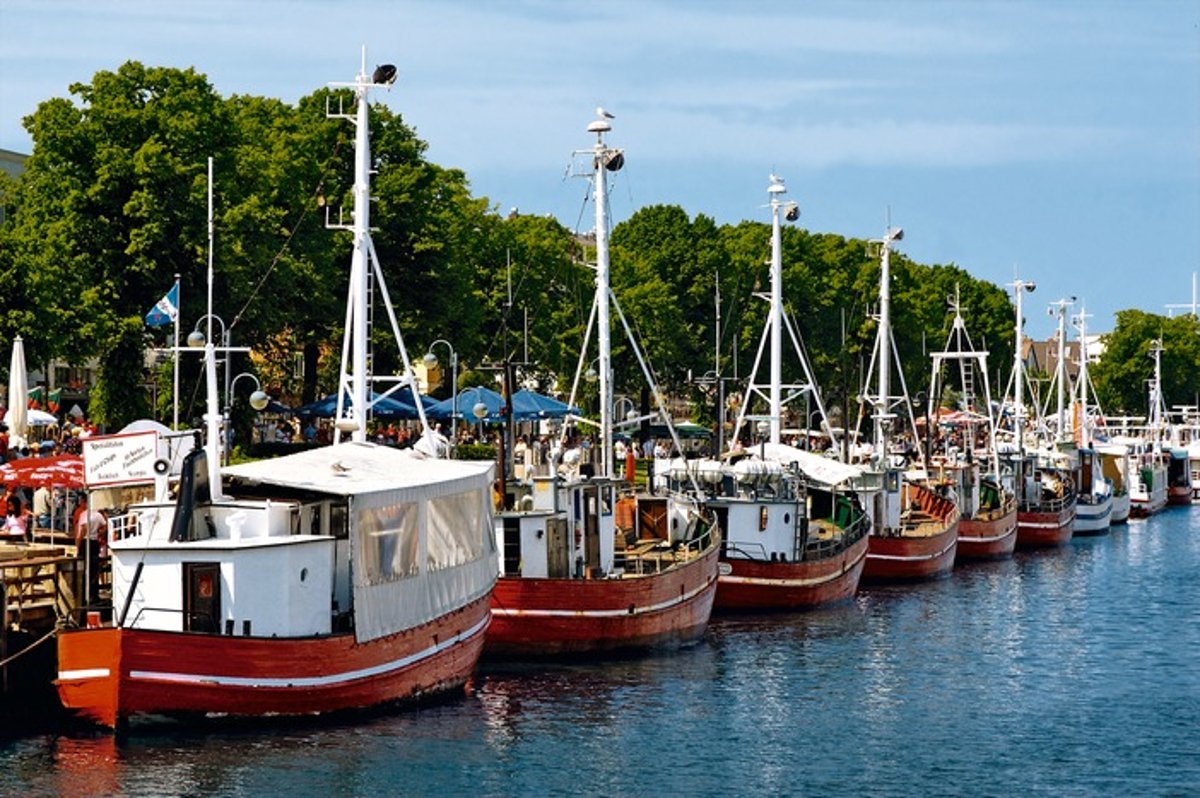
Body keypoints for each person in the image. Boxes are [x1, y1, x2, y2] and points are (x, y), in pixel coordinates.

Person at [74, 494, 108, 602]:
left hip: (86, 541)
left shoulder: (84, 514)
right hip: (94, 542)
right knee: (94, 569)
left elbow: (83, 529)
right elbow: (105, 525)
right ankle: (93, 594)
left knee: (84, 569)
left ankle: (85, 594)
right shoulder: (98, 515)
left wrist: (78, 545)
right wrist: (99, 533)